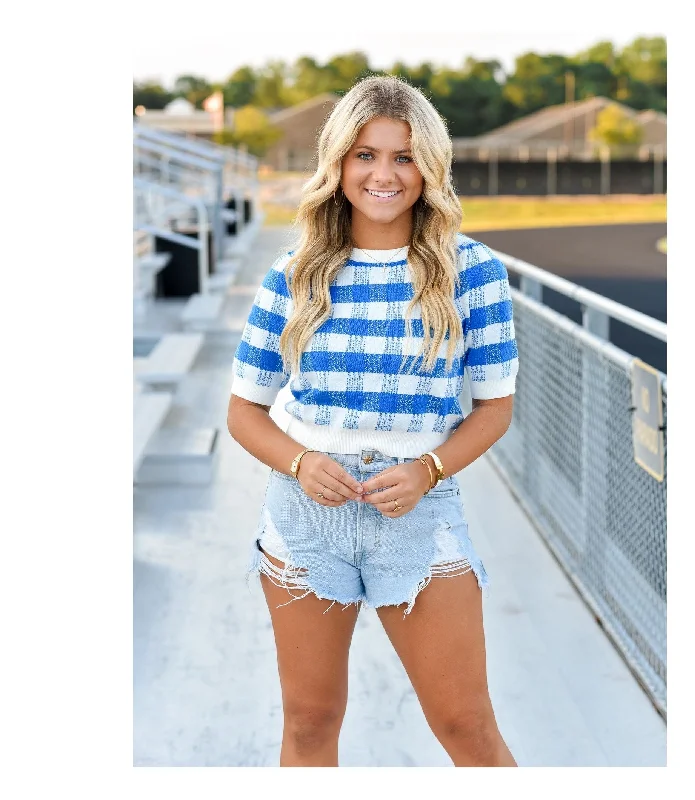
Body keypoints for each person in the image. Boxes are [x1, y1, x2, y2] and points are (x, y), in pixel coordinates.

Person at [227, 75, 519, 768]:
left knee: (468, 727)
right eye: (365, 154)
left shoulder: (472, 273)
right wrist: (299, 462)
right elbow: (244, 412)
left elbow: (496, 409)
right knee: (309, 724)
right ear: (338, 163)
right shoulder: (294, 273)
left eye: (404, 156)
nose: (384, 174)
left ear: (430, 167)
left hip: (418, 518)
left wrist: (428, 469)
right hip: (304, 520)